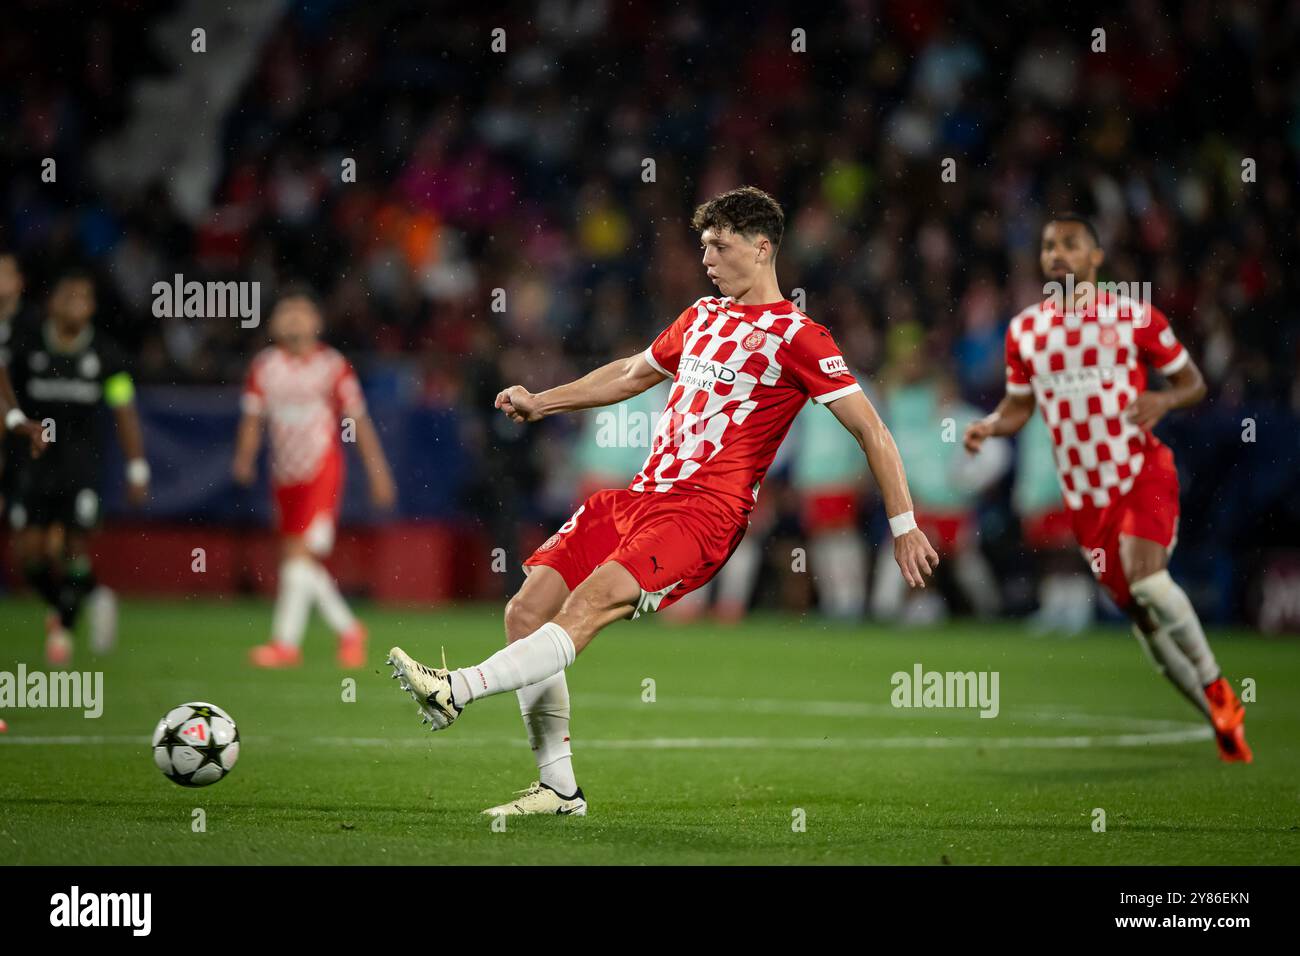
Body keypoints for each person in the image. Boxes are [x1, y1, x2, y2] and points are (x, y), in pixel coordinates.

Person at [386, 186, 940, 815]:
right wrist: (544, 401)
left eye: (719, 246)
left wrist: (904, 524)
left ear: (762, 250)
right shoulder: (700, 316)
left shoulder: (800, 336)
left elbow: (872, 429)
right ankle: (559, 788)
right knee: (525, 610)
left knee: (591, 603)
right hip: (636, 498)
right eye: (703, 246)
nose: (706, 259)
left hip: (703, 513)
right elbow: (629, 373)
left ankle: (457, 687)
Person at [964, 215, 1251, 762]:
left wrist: (1163, 401)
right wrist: (990, 425)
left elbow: (1192, 382)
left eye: (1071, 244)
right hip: (1085, 499)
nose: (1057, 254)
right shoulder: (1025, 331)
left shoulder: (1135, 317)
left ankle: (1217, 686)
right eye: (1049, 246)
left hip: (1141, 473)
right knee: (1141, 617)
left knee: (1149, 583)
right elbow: (1020, 406)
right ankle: (1218, 717)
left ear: (1097, 256)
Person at [233, 289, 396, 669]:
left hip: (321, 471)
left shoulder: (332, 365)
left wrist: (378, 472)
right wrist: (243, 458)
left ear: (316, 323)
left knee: (299, 556)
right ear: (274, 324)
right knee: (297, 561)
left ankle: (285, 644)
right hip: (284, 476)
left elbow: (359, 420)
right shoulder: (264, 366)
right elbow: (252, 418)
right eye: (286, 312)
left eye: (301, 312)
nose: (293, 320)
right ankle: (350, 629)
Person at [5, 268, 147, 663]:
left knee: (73, 547)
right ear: (51, 303)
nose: (75, 305)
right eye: (68, 296)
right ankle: (93, 596)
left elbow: (125, 410)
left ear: (93, 308)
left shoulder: (106, 355)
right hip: (31, 466)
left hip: (81, 467)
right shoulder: (26, 349)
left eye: (84, 298)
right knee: (28, 555)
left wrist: (137, 468)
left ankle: (62, 633)